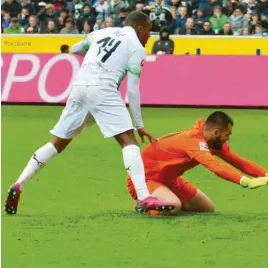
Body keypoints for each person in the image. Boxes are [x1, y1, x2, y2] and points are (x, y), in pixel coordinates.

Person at [4, 11, 174, 215]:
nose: (149, 36)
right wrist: (139, 124)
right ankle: (144, 197)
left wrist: (97, 58)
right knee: (128, 141)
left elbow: (76, 48)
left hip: (79, 87)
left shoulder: (101, 33)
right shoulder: (136, 47)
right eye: (148, 31)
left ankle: (18, 184)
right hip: (103, 89)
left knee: (56, 143)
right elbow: (132, 89)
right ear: (140, 28)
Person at [127, 111, 268, 215]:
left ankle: (165, 199)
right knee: (175, 206)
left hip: (169, 180)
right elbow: (214, 166)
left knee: (206, 208)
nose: (228, 138)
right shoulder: (193, 140)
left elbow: (238, 162)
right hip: (144, 179)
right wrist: (246, 182)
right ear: (216, 132)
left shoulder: (212, 141)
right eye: (227, 134)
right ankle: (145, 202)